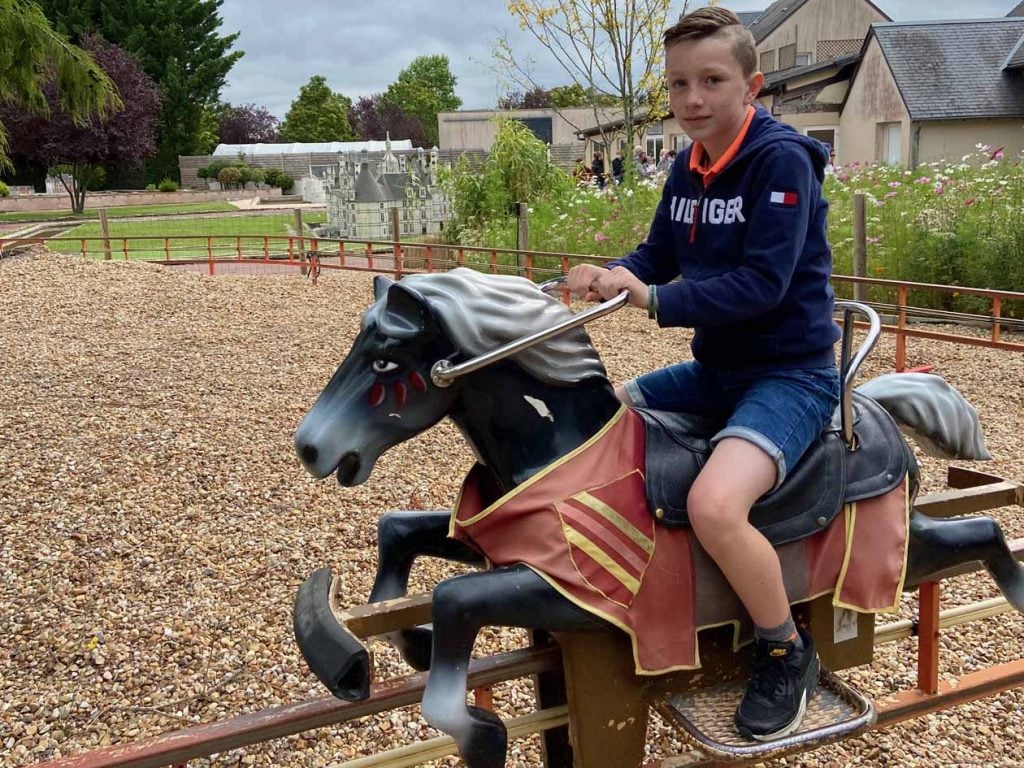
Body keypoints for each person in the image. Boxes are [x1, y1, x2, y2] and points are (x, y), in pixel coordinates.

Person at [567, 6, 840, 742]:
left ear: (751, 85)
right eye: (680, 84)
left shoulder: (781, 161)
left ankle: (785, 649)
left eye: (712, 81)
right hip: (717, 368)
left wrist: (653, 299)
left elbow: (764, 284)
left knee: (718, 504)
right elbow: (660, 252)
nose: (693, 99)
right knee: (598, 412)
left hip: (790, 375)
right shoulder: (688, 163)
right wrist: (617, 272)